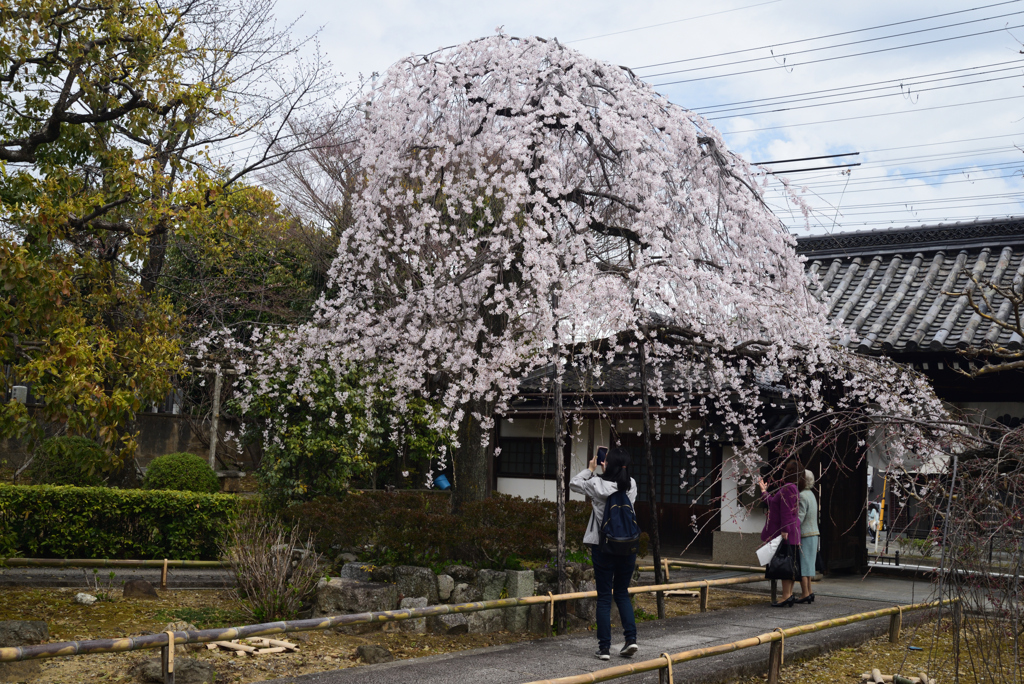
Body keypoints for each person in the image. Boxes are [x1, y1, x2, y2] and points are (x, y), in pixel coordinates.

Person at [569, 446, 639, 661]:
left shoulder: (596, 484)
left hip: (604, 546)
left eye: (605, 460)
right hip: (627, 546)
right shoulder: (631, 484)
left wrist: (590, 469)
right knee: (621, 593)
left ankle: (605, 648)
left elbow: (573, 484)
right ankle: (630, 640)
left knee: (604, 597)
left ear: (606, 464)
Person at [758, 458, 802, 607]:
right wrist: (764, 491)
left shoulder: (787, 488)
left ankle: (785, 596)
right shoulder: (792, 488)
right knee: (789, 563)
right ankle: (788, 595)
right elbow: (774, 503)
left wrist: (784, 531)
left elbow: (785, 512)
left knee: (785, 564)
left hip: (787, 532)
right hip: (792, 532)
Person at [797, 469, 819, 604]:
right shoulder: (811, 494)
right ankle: (809, 591)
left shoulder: (802, 496)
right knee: (809, 566)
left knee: (804, 567)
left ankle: (805, 593)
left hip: (805, 534)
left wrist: (790, 526)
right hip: (814, 533)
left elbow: (800, 517)